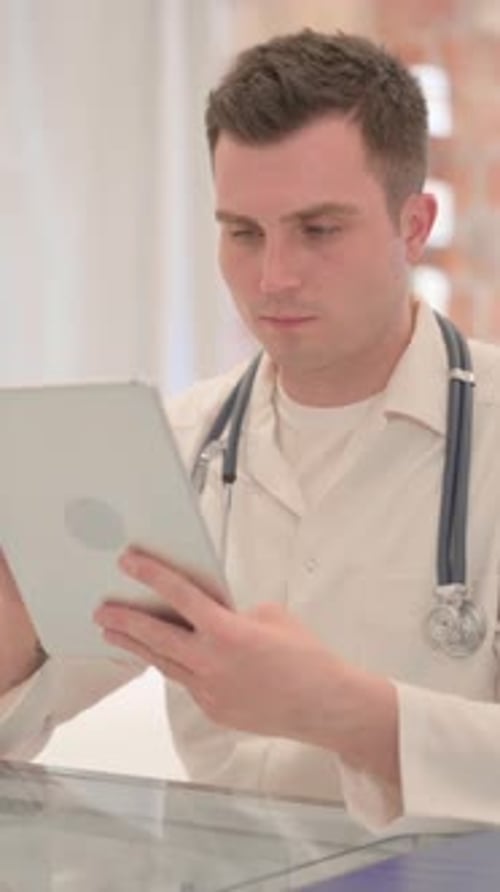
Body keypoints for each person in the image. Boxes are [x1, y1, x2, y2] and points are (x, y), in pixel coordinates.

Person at [0, 29, 499, 832]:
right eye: (243, 233)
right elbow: (24, 718)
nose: (273, 278)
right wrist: (19, 621)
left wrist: (343, 711)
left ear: (414, 225)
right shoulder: (177, 446)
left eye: (319, 230)